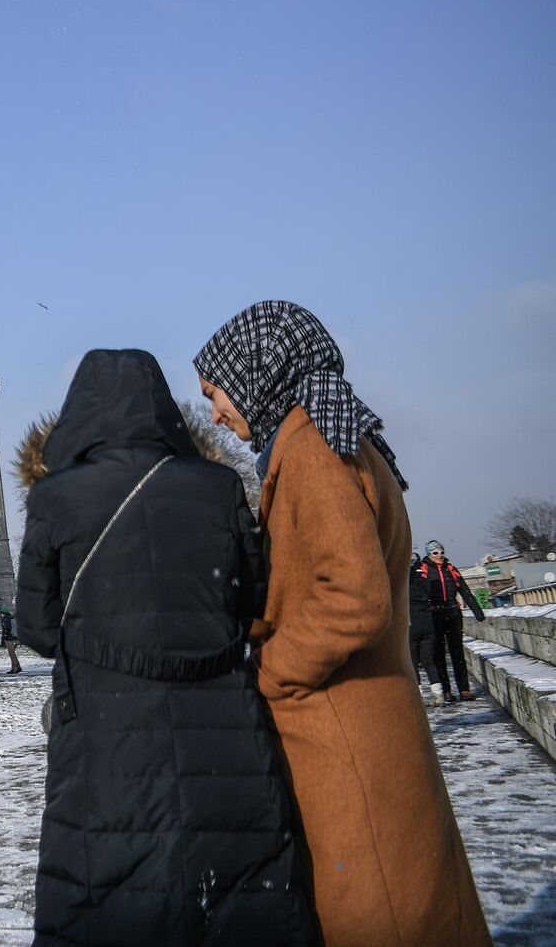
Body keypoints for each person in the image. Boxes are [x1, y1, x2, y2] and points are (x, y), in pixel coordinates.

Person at [196, 301, 489, 945]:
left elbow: (353, 597)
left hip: (345, 739)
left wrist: (270, 673)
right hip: (374, 725)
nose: (215, 412)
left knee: (379, 910)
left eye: (217, 393)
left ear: (256, 373)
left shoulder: (309, 450)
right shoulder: (332, 435)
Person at [17, 348, 311, 944]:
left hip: (105, 742)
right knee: (235, 899)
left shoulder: (56, 499)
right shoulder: (220, 486)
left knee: (109, 898)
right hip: (222, 736)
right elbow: (253, 599)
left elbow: (36, 627)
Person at [419, 539, 486, 701]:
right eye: (435, 553)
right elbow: (417, 593)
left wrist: (477, 611)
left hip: (453, 613)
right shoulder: (423, 570)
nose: (440, 555)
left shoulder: (451, 569)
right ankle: (447, 691)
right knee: (439, 654)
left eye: (442, 552)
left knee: (457, 652)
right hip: (434, 616)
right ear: (429, 555)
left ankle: (464, 689)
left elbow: (465, 590)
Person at [408, 554, 449, 705]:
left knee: (412, 661)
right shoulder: (426, 581)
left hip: (411, 624)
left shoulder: (404, 583)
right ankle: (438, 695)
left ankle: (417, 697)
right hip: (428, 624)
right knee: (428, 661)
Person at [0, 605, 23, 674]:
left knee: (12, 654)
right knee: (13, 654)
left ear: (3, 613)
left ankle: (15, 668)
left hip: (10, 639)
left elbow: (5, 630)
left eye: (1, 613)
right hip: (16, 638)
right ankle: (17, 667)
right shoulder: (12, 618)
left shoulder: (5, 620)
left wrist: (3, 639)